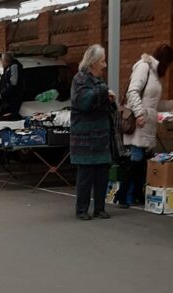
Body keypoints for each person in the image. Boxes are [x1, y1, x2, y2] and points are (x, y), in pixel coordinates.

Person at [117, 45, 173, 208]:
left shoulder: (153, 72)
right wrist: (139, 114)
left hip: (146, 120)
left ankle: (132, 194)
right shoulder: (144, 67)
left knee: (139, 159)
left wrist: (171, 105)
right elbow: (132, 92)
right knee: (135, 158)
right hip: (140, 121)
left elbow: (152, 103)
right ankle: (123, 195)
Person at [70, 44, 115, 221]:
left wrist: (110, 100)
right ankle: (81, 210)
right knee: (86, 176)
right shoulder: (79, 79)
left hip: (101, 137)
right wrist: (104, 92)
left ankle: (99, 208)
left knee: (102, 175)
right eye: (102, 61)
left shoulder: (99, 81)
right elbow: (84, 102)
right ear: (93, 63)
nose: (105, 65)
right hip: (85, 139)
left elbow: (105, 105)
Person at [0, 52, 24, 118]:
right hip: (8, 101)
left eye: (2, 61)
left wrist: (2, 94)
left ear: (6, 61)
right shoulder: (8, 68)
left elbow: (13, 84)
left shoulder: (14, 67)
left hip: (12, 102)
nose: (2, 63)